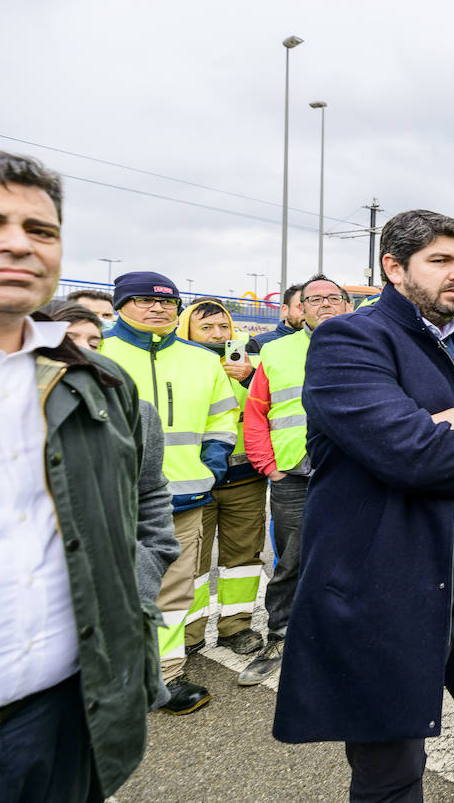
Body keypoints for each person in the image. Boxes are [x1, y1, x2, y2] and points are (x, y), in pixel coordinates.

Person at [273, 210, 454, 802]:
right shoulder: (350, 340)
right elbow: (411, 454)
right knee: (391, 762)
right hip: (391, 581)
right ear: (394, 268)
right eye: (440, 261)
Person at [0, 152, 178, 799]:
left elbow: (147, 499)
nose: (19, 244)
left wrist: (131, 590)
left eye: (39, 230)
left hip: (66, 711)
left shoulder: (98, 382)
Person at [101, 271, 237, 716]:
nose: (158, 308)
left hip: (182, 498)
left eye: (168, 302)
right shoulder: (96, 351)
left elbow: (221, 420)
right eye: (144, 300)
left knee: (174, 592)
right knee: (101, 589)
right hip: (108, 500)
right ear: (120, 305)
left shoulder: (202, 359)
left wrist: (210, 468)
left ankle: (165, 675)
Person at [238, 274, 351, 686]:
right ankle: (280, 635)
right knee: (291, 560)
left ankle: (343, 635)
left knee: (353, 556)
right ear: (299, 309)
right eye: (314, 299)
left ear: (347, 305)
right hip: (293, 474)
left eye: (333, 297)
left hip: (353, 472)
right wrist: (269, 466)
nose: (325, 304)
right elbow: (256, 413)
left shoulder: (370, 345)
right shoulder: (276, 351)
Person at [177, 299, 268, 658]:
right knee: (191, 563)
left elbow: (270, 408)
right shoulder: (177, 362)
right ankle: (189, 633)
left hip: (245, 478)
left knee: (243, 557)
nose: (217, 334)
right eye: (206, 328)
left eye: (223, 327)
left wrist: (248, 377)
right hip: (194, 480)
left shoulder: (251, 360)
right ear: (187, 330)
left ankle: (236, 626)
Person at [249, 283, 304, 352]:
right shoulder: (257, 345)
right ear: (285, 310)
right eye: (301, 307)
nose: (306, 311)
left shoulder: (316, 342)